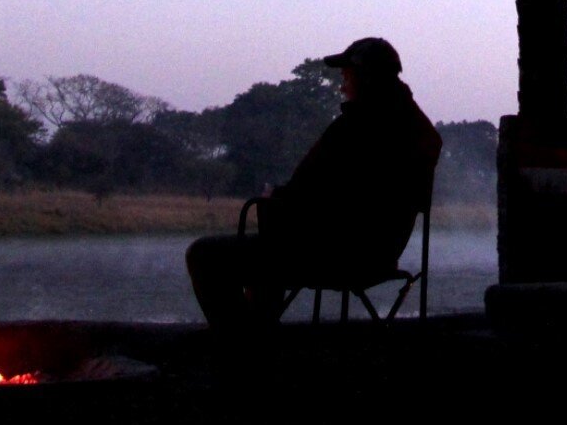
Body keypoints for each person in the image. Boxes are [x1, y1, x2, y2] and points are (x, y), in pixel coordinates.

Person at [187, 37, 442, 329]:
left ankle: (245, 344)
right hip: (380, 255)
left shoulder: (355, 129)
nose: (342, 86)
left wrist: (274, 197)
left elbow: (309, 192)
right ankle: (259, 336)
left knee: (205, 255)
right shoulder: (419, 132)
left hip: (334, 254)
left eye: (347, 77)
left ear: (366, 77)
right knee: (275, 236)